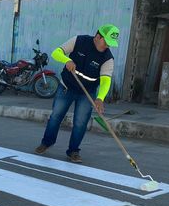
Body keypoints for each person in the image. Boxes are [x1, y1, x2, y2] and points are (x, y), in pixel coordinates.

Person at [34, 24, 119, 164]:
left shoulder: (108, 58)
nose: (107, 46)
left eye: (110, 44)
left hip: (87, 92)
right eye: (106, 42)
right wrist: (67, 60)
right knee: (56, 116)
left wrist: (100, 98)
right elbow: (56, 52)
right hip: (66, 87)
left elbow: (105, 80)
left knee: (80, 123)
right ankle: (46, 142)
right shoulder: (79, 41)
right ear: (98, 36)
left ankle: (73, 151)